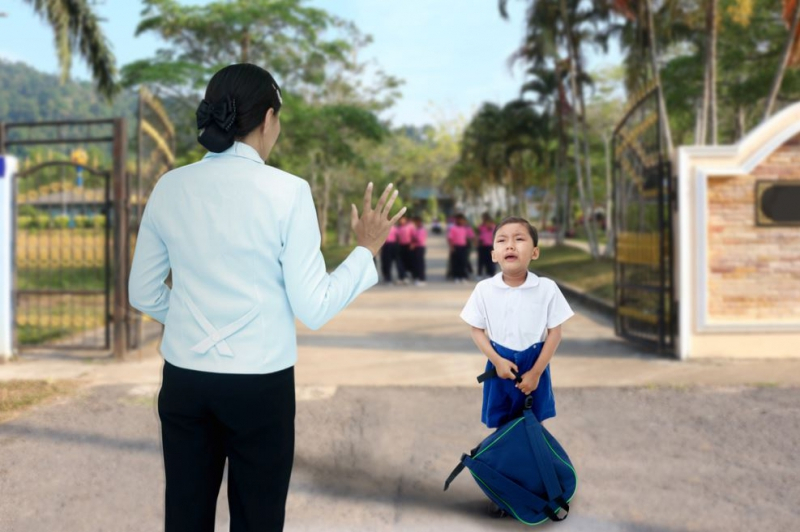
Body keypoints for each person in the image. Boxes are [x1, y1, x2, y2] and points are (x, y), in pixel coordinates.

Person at [128, 63, 405, 532]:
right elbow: (314, 307)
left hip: (185, 383)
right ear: (269, 119)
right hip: (259, 387)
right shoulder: (288, 192)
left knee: (185, 516)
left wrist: (200, 326)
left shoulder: (170, 186)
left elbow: (143, 291)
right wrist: (365, 251)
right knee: (257, 519)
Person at [459, 216, 573, 437]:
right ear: (493, 254)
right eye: (502, 241)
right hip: (500, 365)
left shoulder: (546, 288)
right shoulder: (484, 289)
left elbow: (555, 333)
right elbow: (476, 330)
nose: (510, 245)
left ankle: (532, 468)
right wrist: (497, 360)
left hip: (534, 364)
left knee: (533, 424)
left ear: (535, 252)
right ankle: (504, 469)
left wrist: (536, 373)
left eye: (519, 239)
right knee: (502, 426)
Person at [447, 213, 470, 283]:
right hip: (456, 247)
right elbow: (450, 238)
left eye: (462, 220)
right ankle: (456, 276)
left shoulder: (465, 228)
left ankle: (463, 276)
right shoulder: (453, 228)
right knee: (456, 263)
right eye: (460, 220)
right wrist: (451, 247)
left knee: (463, 262)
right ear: (457, 220)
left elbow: (469, 236)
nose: (461, 222)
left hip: (463, 247)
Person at [476, 212, 497, 279]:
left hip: (491, 246)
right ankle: (479, 274)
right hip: (482, 246)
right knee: (481, 261)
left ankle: (490, 273)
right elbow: (478, 235)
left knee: (490, 261)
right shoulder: (481, 227)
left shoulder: (494, 227)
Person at [396, 215, 414, 284]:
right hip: (400, 246)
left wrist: (412, 244)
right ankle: (402, 276)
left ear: (405, 219)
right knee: (400, 261)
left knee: (409, 260)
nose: (401, 221)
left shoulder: (410, 226)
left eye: (403, 219)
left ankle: (409, 273)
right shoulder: (398, 228)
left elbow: (413, 235)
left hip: (408, 245)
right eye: (400, 220)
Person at [410, 215, 427, 286]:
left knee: (420, 264)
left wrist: (413, 239)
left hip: (420, 248)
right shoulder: (416, 229)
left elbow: (418, 239)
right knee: (416, 263)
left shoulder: (421, 230)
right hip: (416, 248)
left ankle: (421, 278)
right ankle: (417, 277)